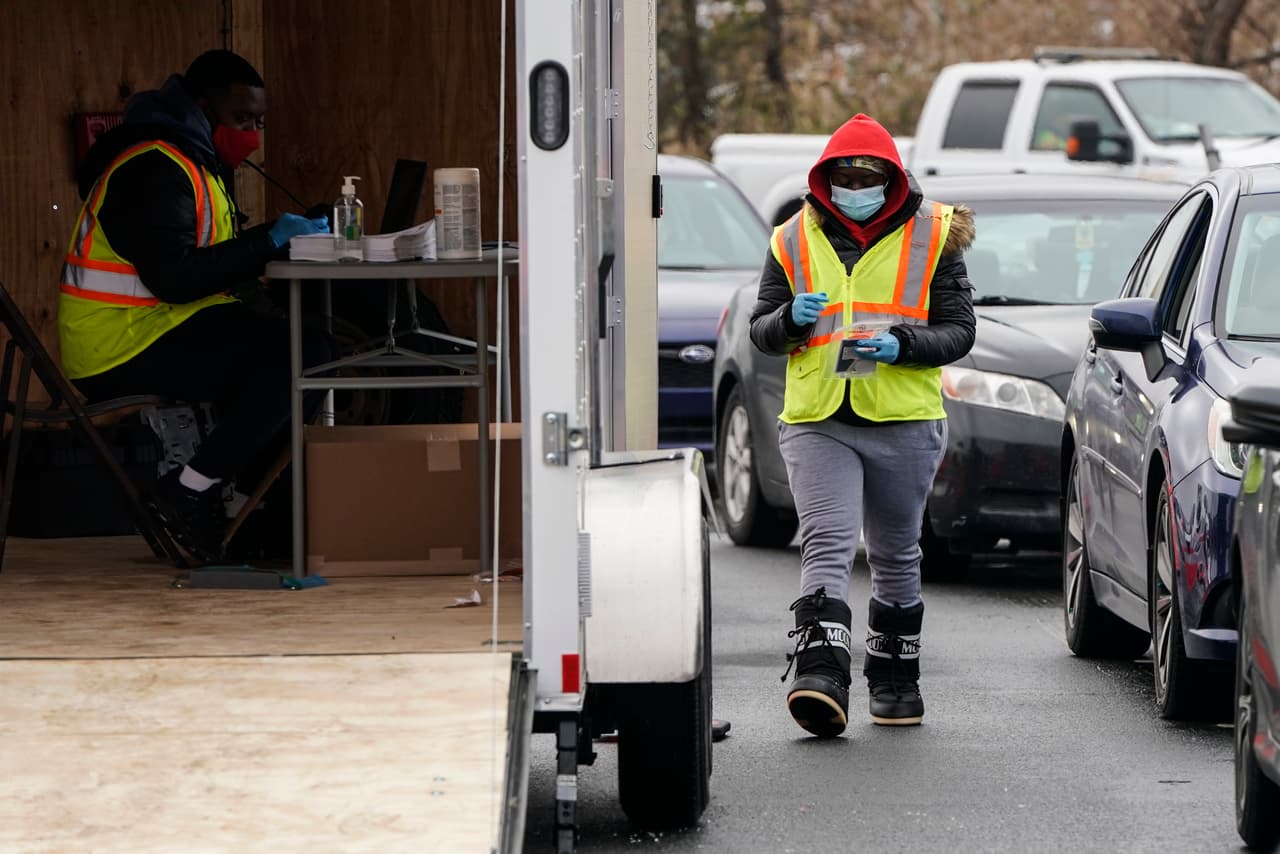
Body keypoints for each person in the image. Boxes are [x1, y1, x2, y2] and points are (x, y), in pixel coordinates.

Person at [750, 113, 976, 738]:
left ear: (894, 181)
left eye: (869, 175)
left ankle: (895, 680)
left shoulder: (936, 235)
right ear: (823, 181)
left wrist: (903, 345)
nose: (856, 185)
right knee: (826, 541)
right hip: (819, 417)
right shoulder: (792, 239)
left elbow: (960, 331)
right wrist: (791, 319)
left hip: (902, 418)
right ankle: (820, 674)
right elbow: (761, 331)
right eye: (844, 175)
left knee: (896, 552)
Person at [59, 49, 334, 561]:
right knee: (300, 351)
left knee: (297, 339)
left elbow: (202, 268)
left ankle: (242, 504)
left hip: (157, 326)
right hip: (120, 343)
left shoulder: (192, 162)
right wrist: (268, 240)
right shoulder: (154, 168)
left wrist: (273, 247)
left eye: (258, 121)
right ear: (202, 108)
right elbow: (176, 278)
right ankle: (189, 492)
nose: (251, 133)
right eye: (241, 119)